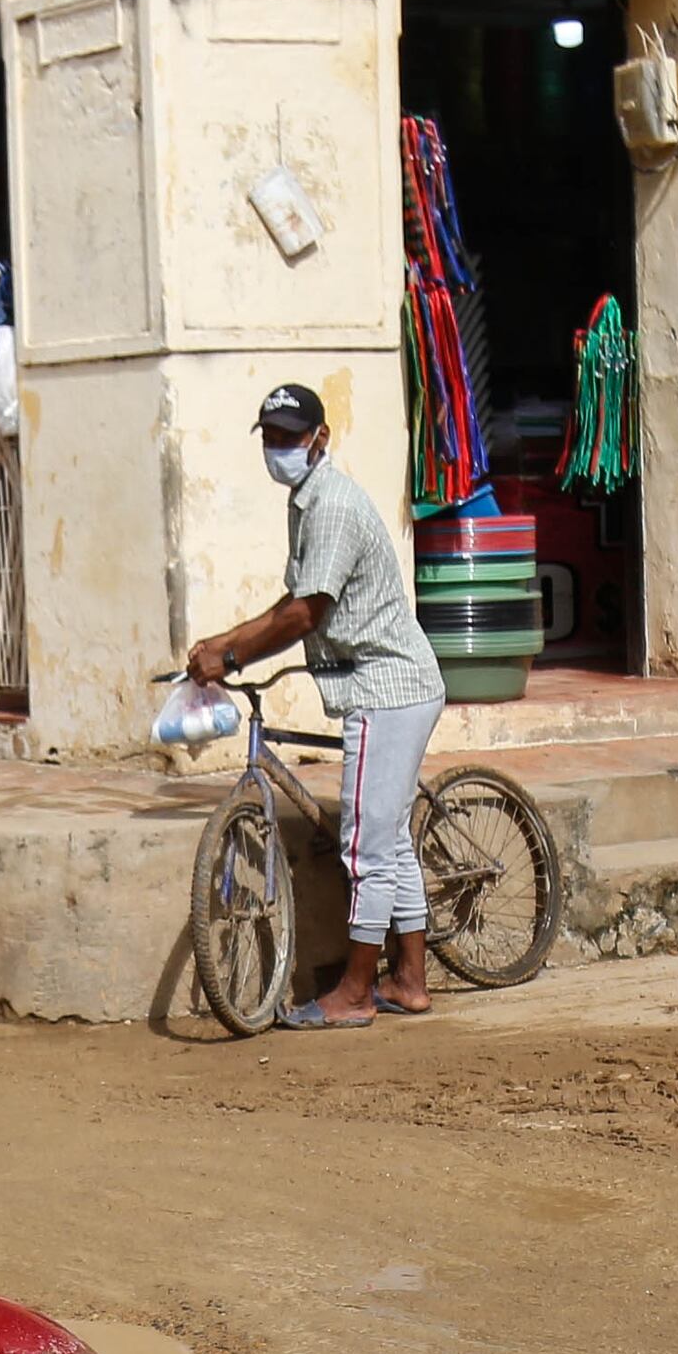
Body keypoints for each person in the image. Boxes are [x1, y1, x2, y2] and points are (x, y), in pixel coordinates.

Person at [184, 382, 450, 1027]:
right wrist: (225, 642)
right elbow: (295, 601)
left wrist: (232, 654)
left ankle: (355, 992)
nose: (278, 449)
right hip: (384, 683)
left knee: (365, 846)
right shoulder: (306, 500)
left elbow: (307, 612)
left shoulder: (331, 505)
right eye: (270, 438)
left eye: (289, 437)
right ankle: (409, 981)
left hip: (387, 687)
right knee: (389, 840)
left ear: (320, 438)